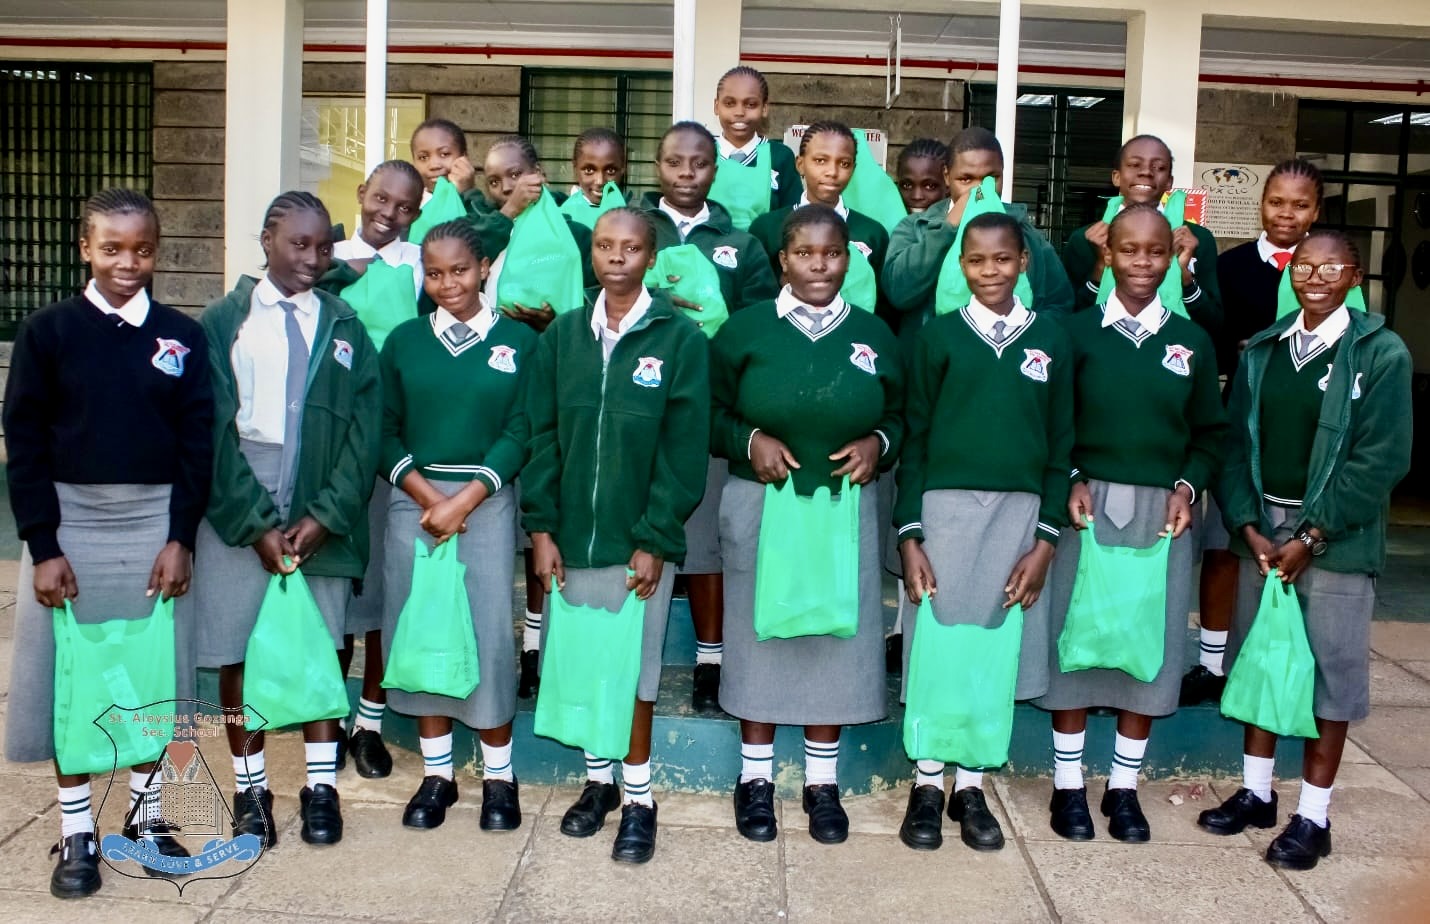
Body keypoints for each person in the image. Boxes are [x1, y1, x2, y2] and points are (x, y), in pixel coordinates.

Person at [4, 189, 213, 899]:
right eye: (113, 248)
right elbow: (25, 443)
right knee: (74, 681)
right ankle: (77, 833)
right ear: (85, 249)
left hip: (157, 527)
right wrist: (43, 544)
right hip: (71, 527)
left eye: (143, 249)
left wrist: (181, 536)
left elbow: (196, 444)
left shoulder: (184, 335)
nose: (129, 262)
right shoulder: (48, 332)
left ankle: (146, 821)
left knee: (154, 683)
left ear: (157, 251)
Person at [1202, 231, 1411, 871]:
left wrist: (1313, 536)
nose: (1315, 277)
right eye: (1305, 267)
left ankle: (1313, 818)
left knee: (1329, 677)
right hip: (1265, 532)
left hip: (1336, 541)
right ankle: (1256, 794)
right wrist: (1248, 526)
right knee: (1261, 662)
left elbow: (1382, 461)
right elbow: (1233, 443)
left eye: (1332, 268)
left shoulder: (1381, 353)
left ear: (1355, 276)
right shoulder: (1265, 350)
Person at [710, 205, 903, 846]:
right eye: (805, 253)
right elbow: (704, 412)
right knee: (760, 638)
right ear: (782, 260)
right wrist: (748, 438)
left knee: (833, 643)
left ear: (848, 259)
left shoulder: (875, 333)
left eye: (833, 253)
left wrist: (880, 439)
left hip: (843, 509)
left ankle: (822, 784)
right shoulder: (744, 332)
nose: (820, 264)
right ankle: (756, 779)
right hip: (764, 503)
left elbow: (905, 415)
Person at [193, 191, 381, 849]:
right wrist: (252, 521)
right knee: (239, 653)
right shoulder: (225, 320)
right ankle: (251, 790)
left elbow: (366, 430)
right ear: (268, 238)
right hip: (240, 499)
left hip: (318, 502)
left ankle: (321, 788)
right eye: (298, 244)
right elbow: (210, 426)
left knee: (322, 650)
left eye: (323, 247)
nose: (312, 258)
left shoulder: (346, 323)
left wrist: (328, 515)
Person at [523, 206, 710, 864]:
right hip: (572, 539)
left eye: (631, 248)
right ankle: (597, 784)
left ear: (651, 258)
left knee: (632, 674)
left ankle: (639, 799)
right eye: (604, 246)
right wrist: (541, 528)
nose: (616, 258)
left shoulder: (679, 339)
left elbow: (684, 452)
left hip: (638, 541)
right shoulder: (562, 338)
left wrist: (656, 536)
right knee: (582, 666)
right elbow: (542, 436)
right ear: (592, 254)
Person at [1034, 204, 1226, 843]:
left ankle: (1122, 789)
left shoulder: (1191, 341)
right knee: (1075, 645)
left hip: (1161, 515)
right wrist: (1069, 480)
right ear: (1107, 255)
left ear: (1172, 257)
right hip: (1084, 510)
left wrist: (1187, 486)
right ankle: (1067, 789)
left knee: (1149, 648)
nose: (1143, 263)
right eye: (1129, 251)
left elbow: (1208, 435)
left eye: (1156, 252)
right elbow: (1053, 425)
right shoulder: (1073, 333)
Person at [895, 212, 1073, 853]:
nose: (990, 271)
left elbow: (1061, 446)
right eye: (977, 261)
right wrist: (910, 534)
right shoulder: (937, 338)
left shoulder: (1050, 338)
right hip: (944, 510)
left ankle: (970, 785)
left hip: (1019, 515)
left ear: (1023, 263)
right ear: (961, 267)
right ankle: (926, 780)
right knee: (939, 638)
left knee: (995, 644)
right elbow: (913, 435)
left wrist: (1046, 540)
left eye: (1003, 259)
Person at [378, 220, 535, 832]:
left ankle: (500, 776)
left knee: (488, 633)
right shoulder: (404, 342)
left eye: (461, 270)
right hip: (413, 504)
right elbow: (383, 429)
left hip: (486, 504)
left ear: (486, 266)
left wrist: (465, 499)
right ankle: (436, 774)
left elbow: (523, 427)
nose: (448, 284)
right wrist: (426, 496)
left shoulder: (520, 341)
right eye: (435, 273)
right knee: (420, 632)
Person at [640, 120, 779, 712]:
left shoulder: (742, 244)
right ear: (659, 167)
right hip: (641, 406)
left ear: (714, 170)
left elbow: (757, 323)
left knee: (704, 542)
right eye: (675, 163)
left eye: (699, 164)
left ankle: (710, 658)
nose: (687, 174)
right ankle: (631, 654)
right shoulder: (631, 229)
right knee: (640, 530)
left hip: (708, 410)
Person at [1183, 158, 1326, 707]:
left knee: (1296, 546)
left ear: (1316, 211)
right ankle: (1213, 663)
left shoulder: (1324, 267)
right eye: (1276, 202)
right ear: (1261, 203)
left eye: (1300, 204)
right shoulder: (1236, 263)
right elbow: (1213, 331)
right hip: (1240, 422)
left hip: (1301, 432)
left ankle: (1282, 656)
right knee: (1224, 543)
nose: (1286, 214)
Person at [470, 134, 596, 698]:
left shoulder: (573, 234)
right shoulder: (480, 228)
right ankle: (498, 643)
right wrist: (506, 214)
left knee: (544, 524)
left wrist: (555, 323)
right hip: (493, 403)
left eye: (514, 176)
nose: (503, 188)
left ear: (538, 174)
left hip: (550, 398)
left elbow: (597, 304)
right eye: (493, 180)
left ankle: (537, 647)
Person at [326, 157, 428, 779]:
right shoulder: (325, 254)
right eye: (380, 199)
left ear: (417, 214)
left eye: (404, 207)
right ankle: (329, 718)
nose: (388, 214)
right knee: (333, 591)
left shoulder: (419, 267)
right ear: (361, 194)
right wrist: (339, 270)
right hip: (334, 449)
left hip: (392, 450)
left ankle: (369, 722)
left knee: (385, 597)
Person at [884, 126, 1075, 354]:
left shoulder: (1026, 234)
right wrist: (946, 229)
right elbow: (899, 293)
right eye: (966, 179)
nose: (978, 191)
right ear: (946, 176)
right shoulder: (915, 228)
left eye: (989, 179)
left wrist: (1019, 341)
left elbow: (1059, 303)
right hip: (935, 369)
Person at [1060, 134, 1221, 334]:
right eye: (1135, 165)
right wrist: (1100, 267)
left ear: (1169, 182)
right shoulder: (1085, 239)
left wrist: (1185, 278)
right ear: (1116, 177)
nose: (1146, 172)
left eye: (1159, 167)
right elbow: (1068, 319)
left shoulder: (1196, 240)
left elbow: (1214, 324)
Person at [748, 120, 890, 290]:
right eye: (821, 160)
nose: (832, 172)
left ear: (853, 169)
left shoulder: (872, 233)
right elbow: (757, 294)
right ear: (800, 165)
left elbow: (882, 304)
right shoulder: (767, 228)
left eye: (844, 164)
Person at [709, 65, 802, 229]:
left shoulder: (779, 156)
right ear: (717, 106)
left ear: (764, 108)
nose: (739, 112)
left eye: (750, 104)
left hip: (764, 253)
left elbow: (793, 220)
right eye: (729, 103)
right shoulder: (703, 152)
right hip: (705, 252)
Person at [562, 127, 630, 225]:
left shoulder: (633, 218)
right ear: (575, 168)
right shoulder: (564, 218)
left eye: (610, 171)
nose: (600, 181)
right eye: (589, 170)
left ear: (623, 169)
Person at [410, 117, 477, 205]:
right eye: (423, 157)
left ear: (464, 157)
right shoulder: (408, 208)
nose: (434, 165)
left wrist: (465, 193)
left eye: (444, 154)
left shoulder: (481, 207)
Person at [896, 138, 950, 215]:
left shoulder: (966, 226)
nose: (916, 196)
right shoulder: (882, 224)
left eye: (929, 186)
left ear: (948, 185)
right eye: (907, 185)